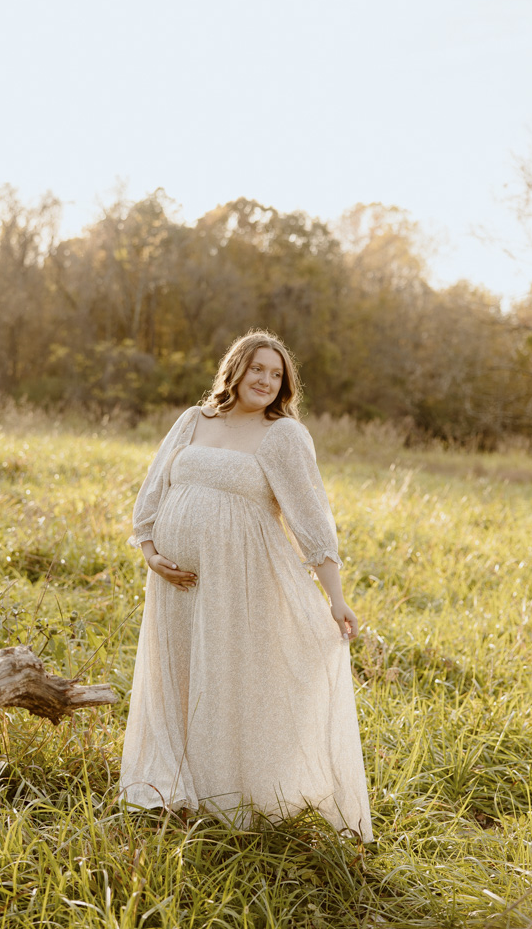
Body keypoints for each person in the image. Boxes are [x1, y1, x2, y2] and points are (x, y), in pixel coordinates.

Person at [119, 330, 372, 839]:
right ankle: (176, 788)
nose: (266, 379)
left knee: (228, 678)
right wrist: (151, 554)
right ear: (235, 369)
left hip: (243, 580)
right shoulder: (194, 420)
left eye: (276, 374)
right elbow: (153, 491)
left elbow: (311, 520)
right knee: (180, 674)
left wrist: (335, 598)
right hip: (174, 584)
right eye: (258, 368)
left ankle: (234, 794)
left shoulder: (282, 435)